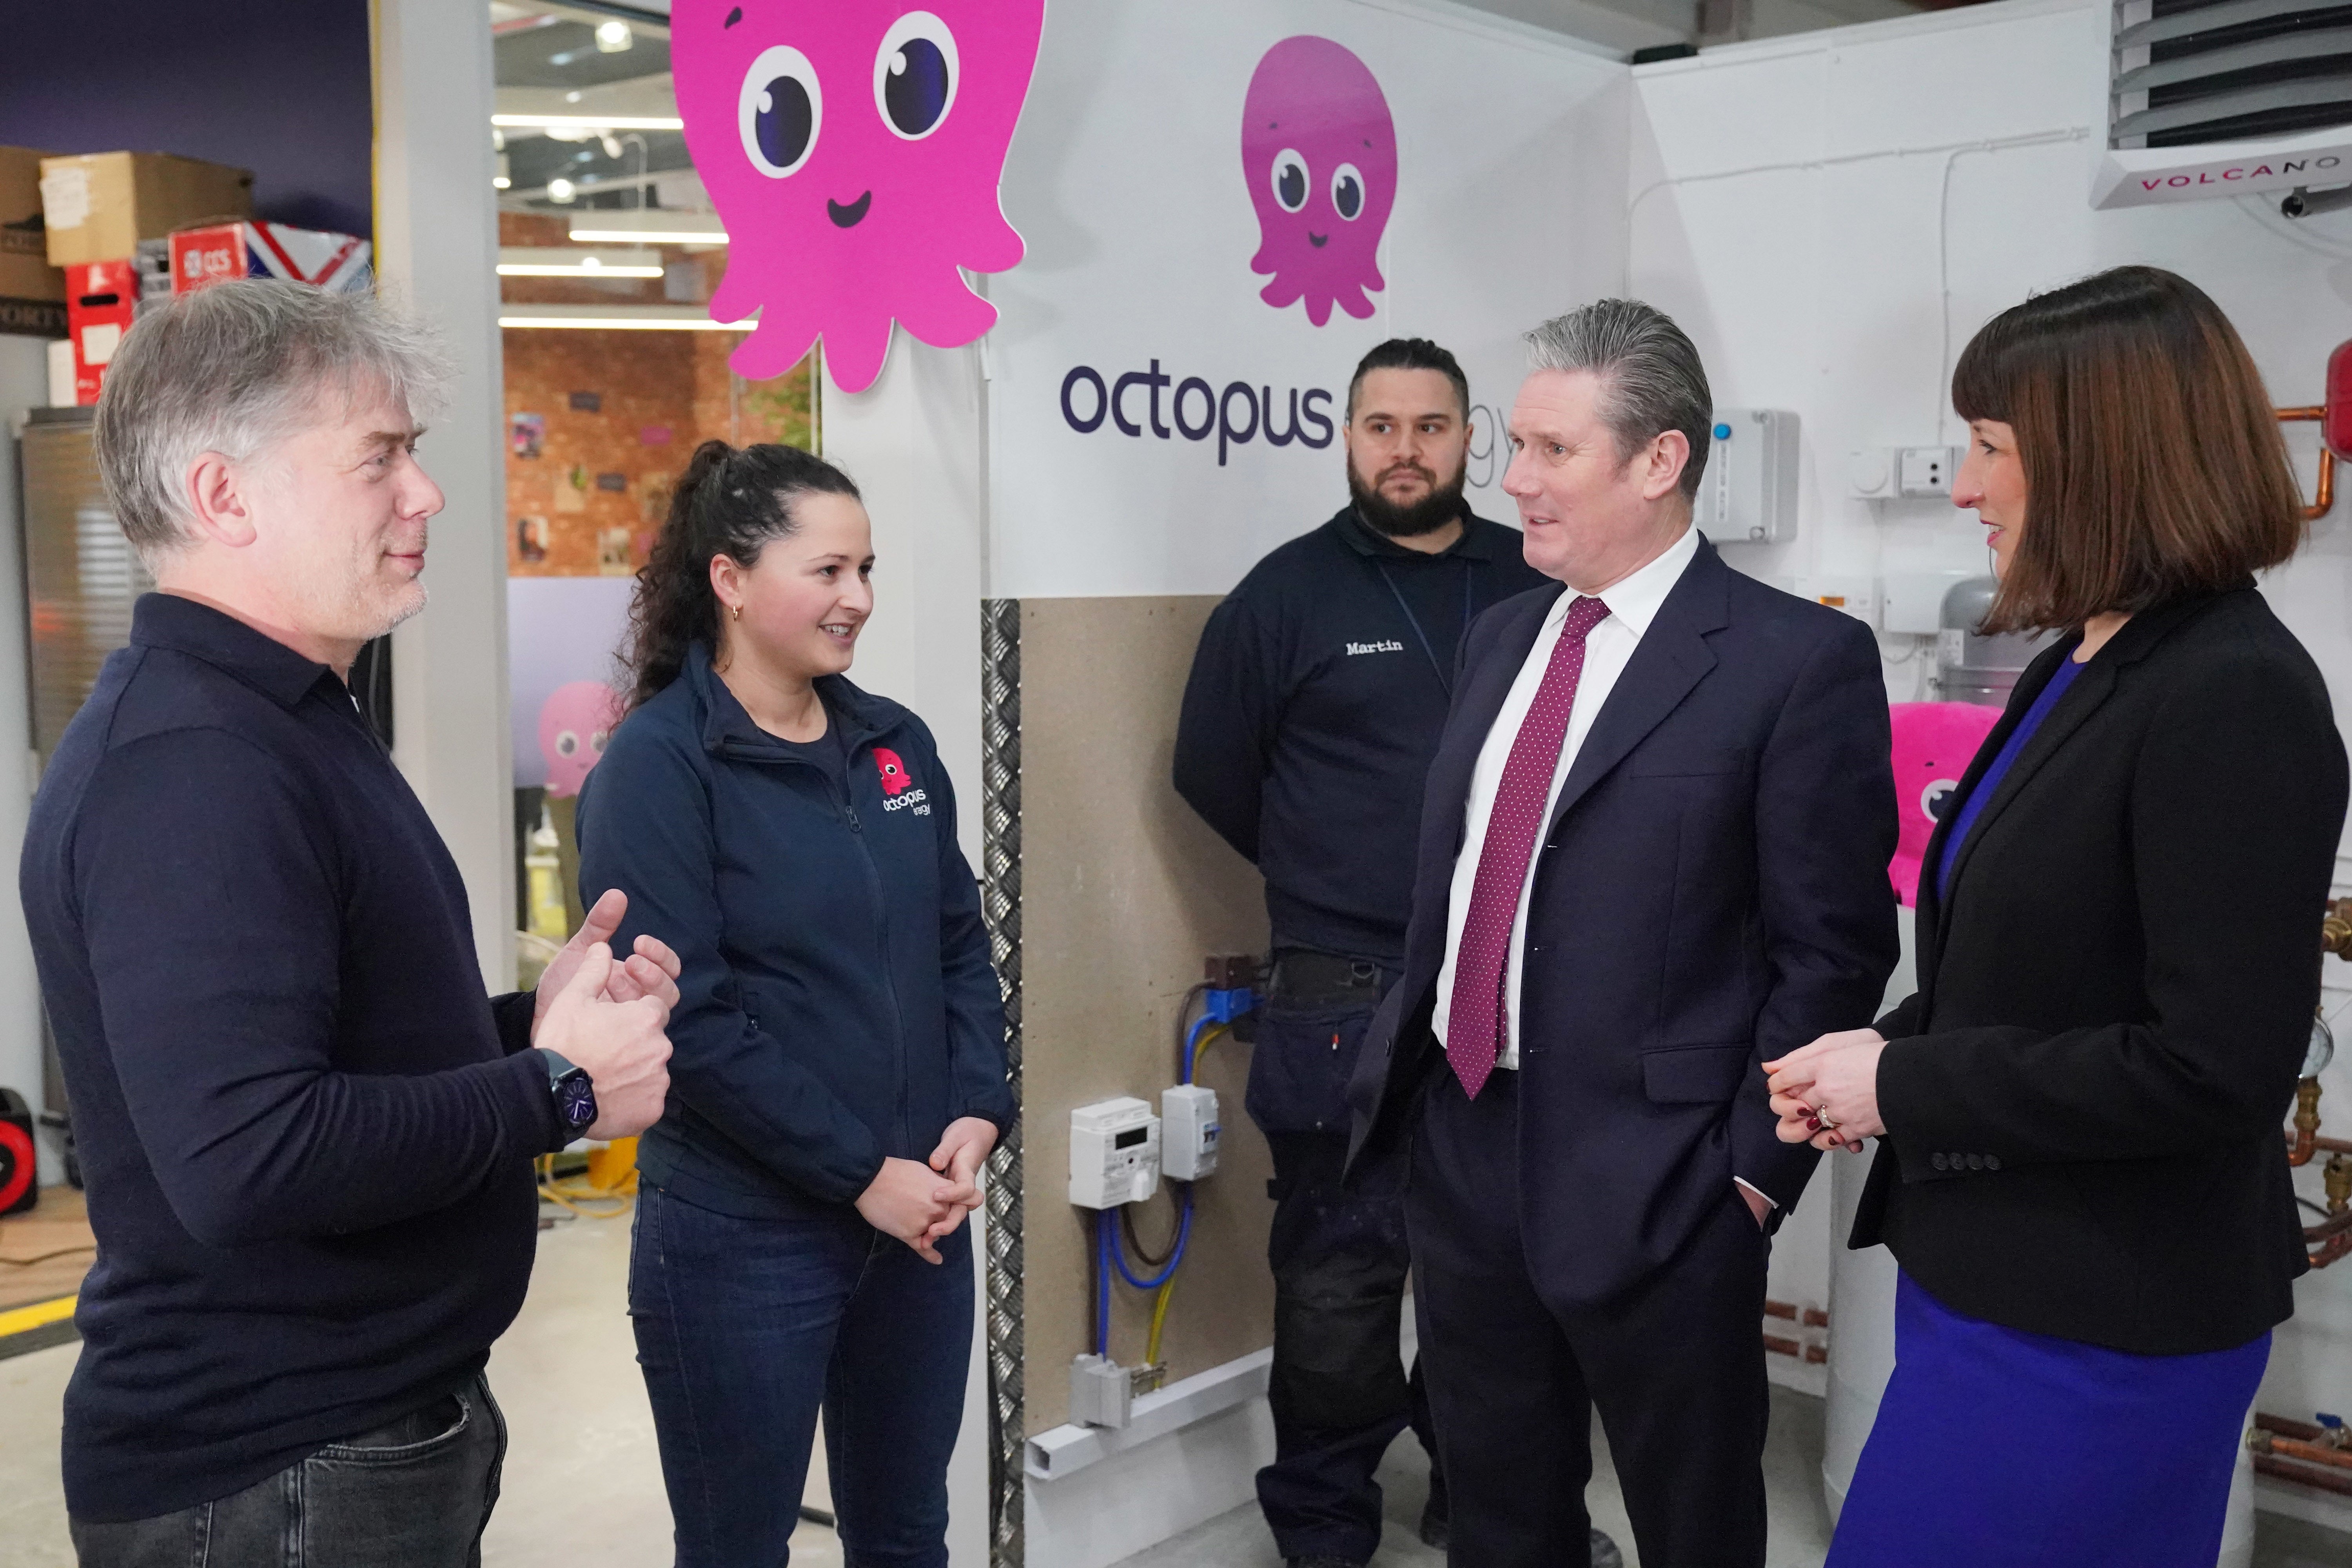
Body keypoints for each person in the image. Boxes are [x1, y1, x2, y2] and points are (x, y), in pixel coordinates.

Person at [21, 279, 679, 1567]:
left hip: (348, 1437)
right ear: (225, 496)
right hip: (274, 1473)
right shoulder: (192, 765)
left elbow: (330, 1049)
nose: (424, 494)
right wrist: (557, 1090)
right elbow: (248, 1156)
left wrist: (527, 1030)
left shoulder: (281, 720)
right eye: (379, 458)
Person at [1766, 266, 2345, 1568]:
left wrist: (1906, 1086)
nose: (1966, 486)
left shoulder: (2234, 691)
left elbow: (2217, 1069)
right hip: (1995, 1278)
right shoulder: (2081, 661)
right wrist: (1873, 1056)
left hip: (2106, 1323)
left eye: (1990, 447)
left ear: (2102, 457)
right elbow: (2026, 964)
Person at [1347, 299, 1899, 1568]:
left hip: (1667, 1177)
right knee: (1498, 1515)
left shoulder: (1793, 661)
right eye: (1516, 446)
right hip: (1468, 1139)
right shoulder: (1503, 637)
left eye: (1553, 451)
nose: (1515, 481)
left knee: (1691, 1524)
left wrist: (1751, 1176)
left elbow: (1831, 950)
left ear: (1660, 460)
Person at [576, 440, 1014, 1568]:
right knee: (738, 1546)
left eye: (865, 570)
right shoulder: (658, 769)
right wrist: (861, 1174)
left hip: (917, 1221)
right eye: (827, 571)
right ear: (729, 579)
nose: (857, 597)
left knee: (907, 1533)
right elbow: (691, 1020)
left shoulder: (893, 744)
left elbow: (957, 945)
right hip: (744, 1240)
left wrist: (978, 1105)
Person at [1174, 337, 1548, 1566]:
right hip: (1343, 986)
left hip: (1511, 980)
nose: (1404, 450)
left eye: (1430, 427)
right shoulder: (1284, 596)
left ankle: (1480, 1503)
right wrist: (1336, 868)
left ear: (1470, 441)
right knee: (1338, 1275)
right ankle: (1326, 1527)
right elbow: (1213, 774)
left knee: (1500, 1274)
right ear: (1347, 438)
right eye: (1380, 426)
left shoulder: (1538, 578)